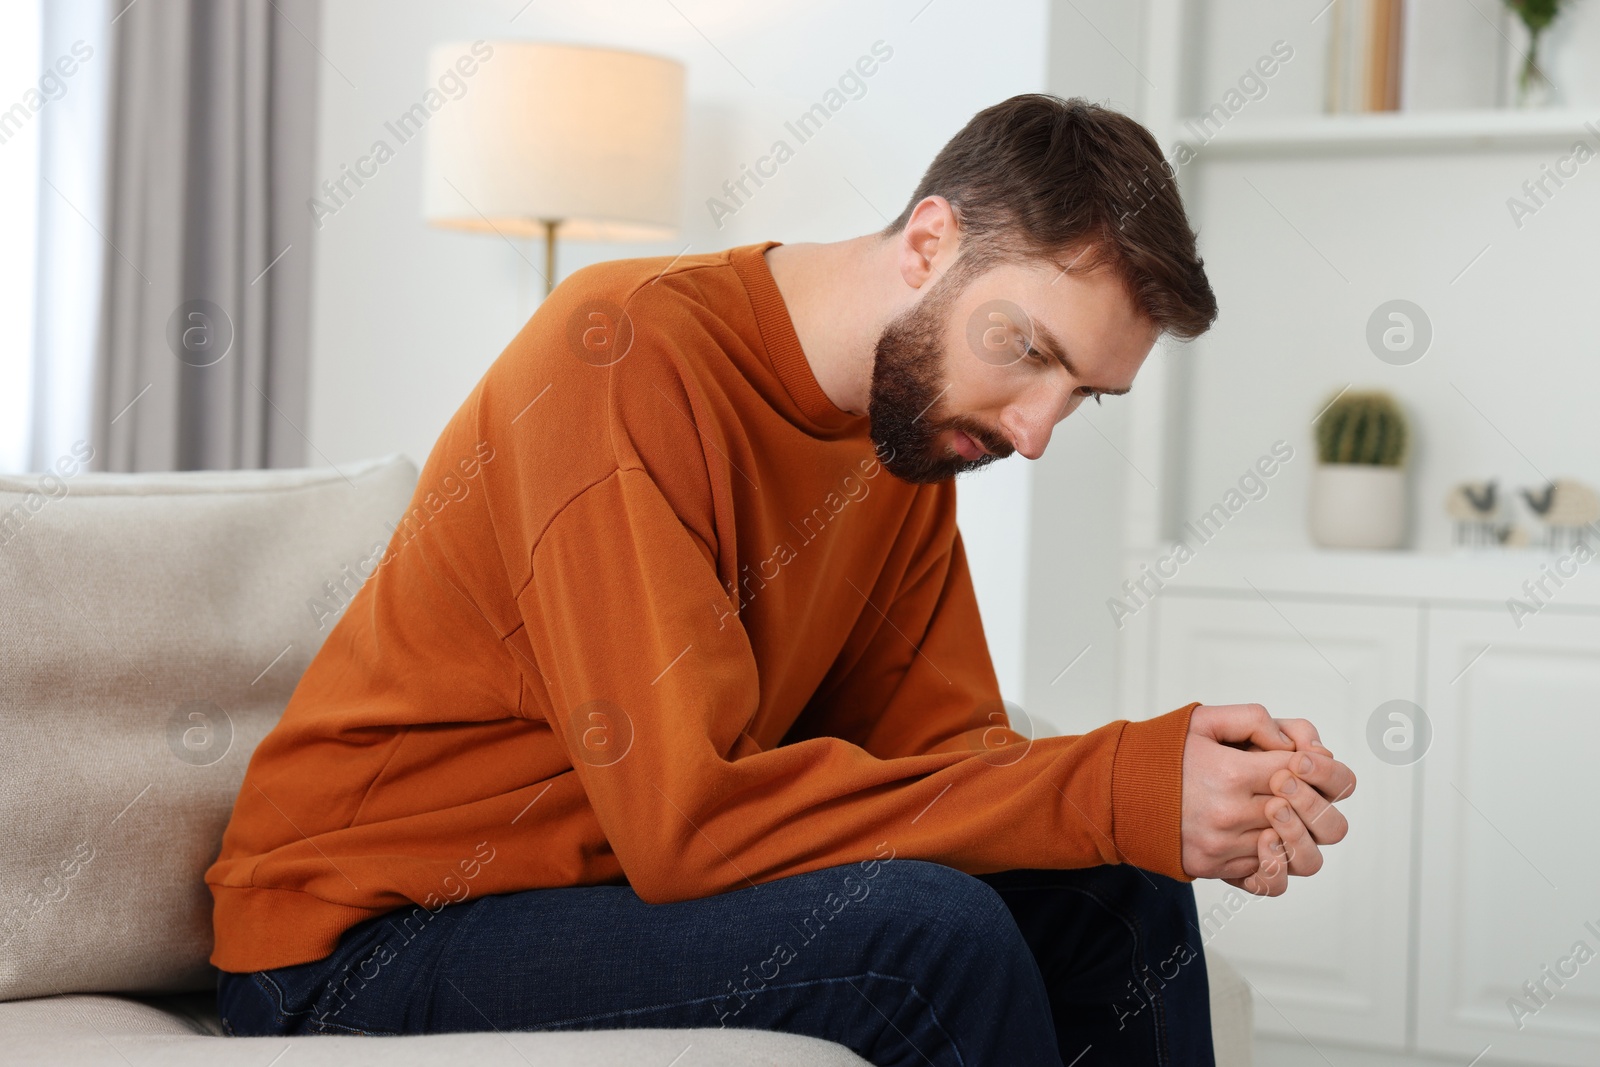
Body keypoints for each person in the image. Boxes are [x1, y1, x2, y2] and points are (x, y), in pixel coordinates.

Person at [208, 94, 1355, 1065]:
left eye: (1081, 394)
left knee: (1121, 893)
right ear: (928, 242)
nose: (1037, 429)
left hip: (588, 890)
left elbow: (944, 764)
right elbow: (684, 820)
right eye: (1030, 352)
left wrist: (1169, 795)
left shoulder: (905, 443)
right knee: (930, 933)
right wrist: (1112, 782)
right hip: (361, 938)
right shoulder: (616, 354)